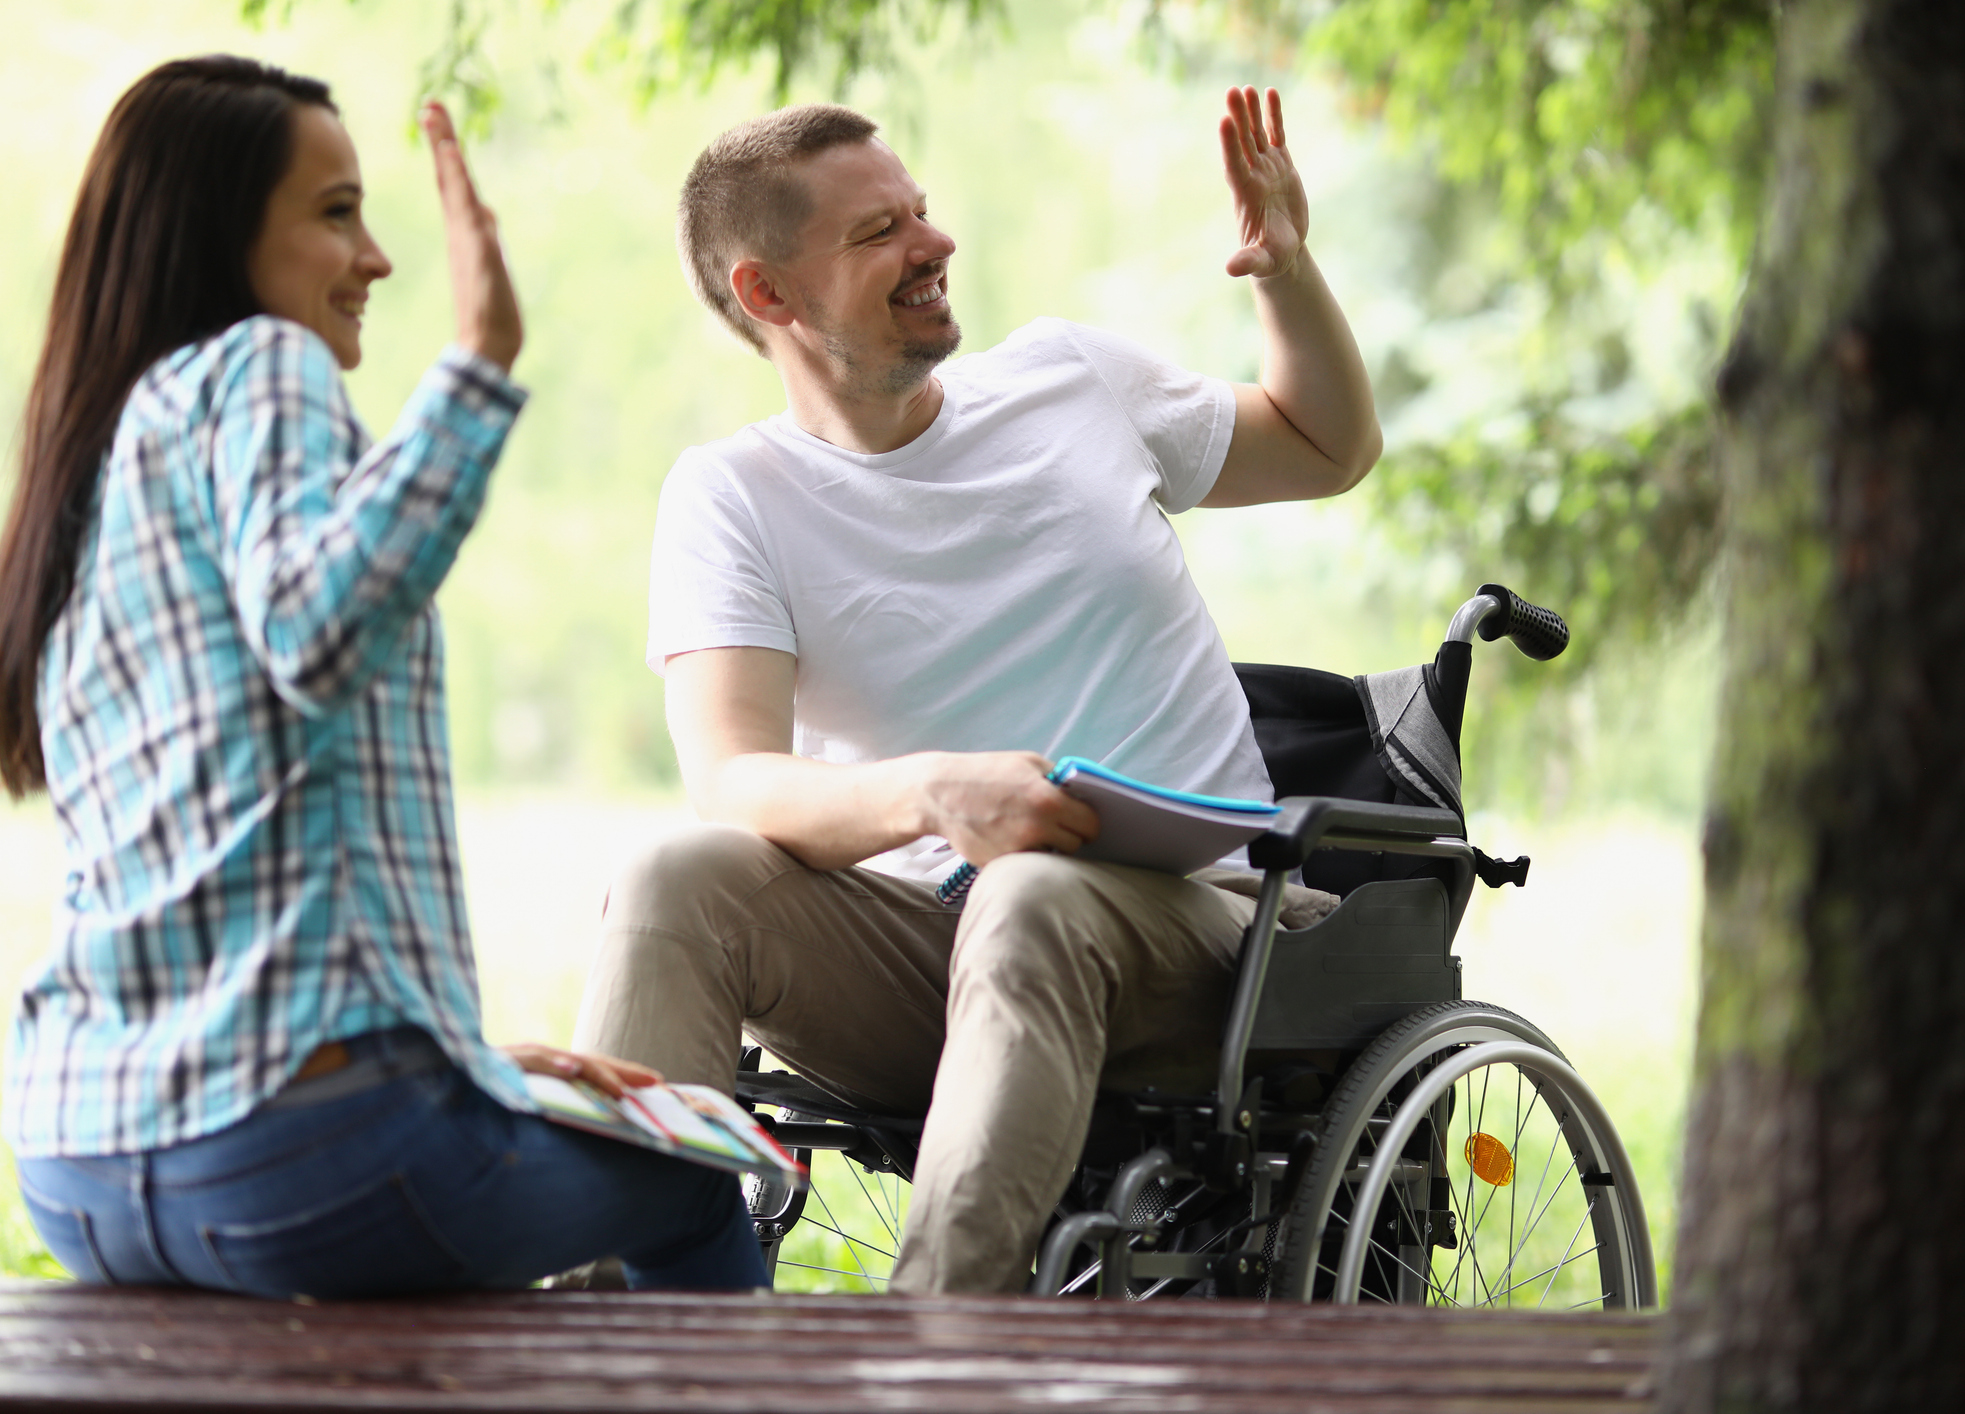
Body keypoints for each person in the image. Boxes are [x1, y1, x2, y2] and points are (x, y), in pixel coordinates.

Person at [572, 86, 1376, 1293]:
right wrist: (936, 795)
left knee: (1035, 900)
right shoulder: (731, 496)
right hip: (933, 953)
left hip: (1218, 937)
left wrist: (1286, 270)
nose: (932, 244)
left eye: (922, 213)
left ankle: (933, 1353)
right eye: (875, 232)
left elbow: (1328, 446)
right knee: (671, 878)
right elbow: (733, 778)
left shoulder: (1070, 382)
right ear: (767, 295)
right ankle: (625, 1336)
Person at [0, 56, 765, 1298]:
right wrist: (479, 359)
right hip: (290, 1159)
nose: (378, 257)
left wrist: (451, 1059)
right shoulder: (262, 366)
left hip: (80, 1160)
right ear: (219, 234)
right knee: (688, 1185)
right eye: (336, 211)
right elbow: (319, 628)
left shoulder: (97, 464)